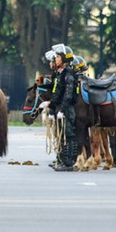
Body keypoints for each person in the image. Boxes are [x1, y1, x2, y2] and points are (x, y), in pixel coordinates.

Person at [47, 43, 78, 172]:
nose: (56, 59)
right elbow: (56, 93)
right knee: (60, 134)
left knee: (68, 135)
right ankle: (61, 159)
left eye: (58, 57)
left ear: (65, 59)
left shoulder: (68, 75)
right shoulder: (60, 75)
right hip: (60, 108)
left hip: (67, 109)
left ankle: (69, 162)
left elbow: (68, 95)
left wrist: (61, 110)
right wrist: (51, 107)